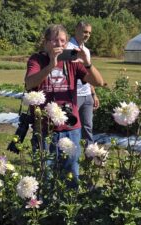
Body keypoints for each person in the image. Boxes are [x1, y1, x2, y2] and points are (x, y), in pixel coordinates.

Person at [25, 24, 104, 184]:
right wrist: (50, 66)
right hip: (44, 128)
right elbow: (29, 83)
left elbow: (99, 82)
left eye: (63, 41)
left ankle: (69, 207)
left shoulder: (72, 62)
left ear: (67, 43)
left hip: (70, 128)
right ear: (46, 43)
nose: (59, 44)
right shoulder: (37, 59)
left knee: (71, 175)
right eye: (55, 41)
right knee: (44, 175)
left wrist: (87, 63)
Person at [67, 21, 99, 147]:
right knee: (71, 127)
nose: (87, 35)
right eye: (85, 32)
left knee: (88, 127)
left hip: (86, 94)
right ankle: (68, 154)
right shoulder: (68, 48)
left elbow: (89, 72)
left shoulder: (86, 50)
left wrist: (93, 93)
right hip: (73, 94)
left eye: (89, 33)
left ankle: (90, 157)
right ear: (76, 30)